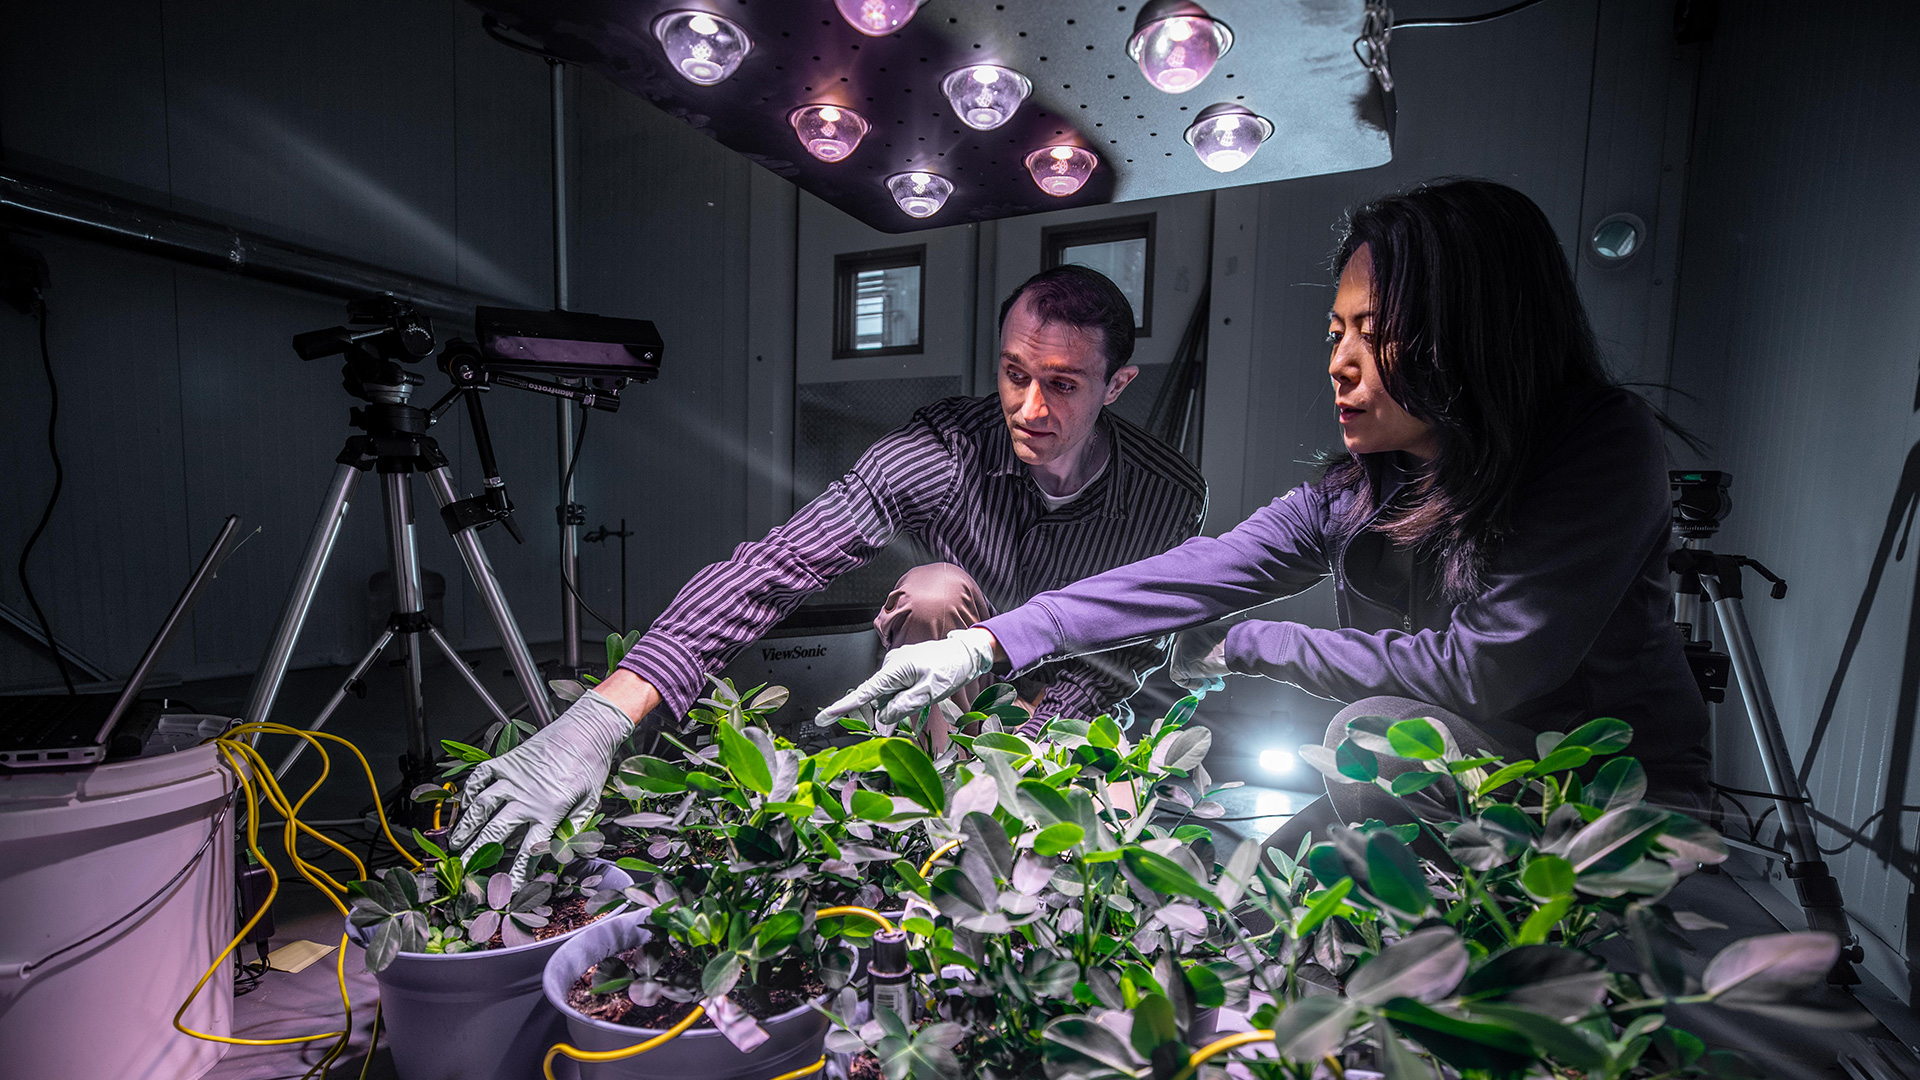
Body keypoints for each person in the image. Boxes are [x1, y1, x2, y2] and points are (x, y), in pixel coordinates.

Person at [821, 178, 1712, 850]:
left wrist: (1252, 644)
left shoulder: (1598, 446)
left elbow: (1482, 672)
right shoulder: (1364, 482)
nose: (1342, 363)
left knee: (1367, 738)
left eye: (1376, 330)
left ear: (1471, 328)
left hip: (1602, 805)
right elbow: (1206, 567)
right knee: (1248, 905)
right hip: (1440, 772)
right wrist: (992, 641)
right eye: (1336, 333)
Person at [451, 265, 1208, 882]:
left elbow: (1131, 648)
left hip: (1062, 685)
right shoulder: (943, 450)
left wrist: (1032, 748)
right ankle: (935, 809)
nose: (1028, 407)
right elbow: (778, 565)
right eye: (1014, 373)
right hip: (947, 671)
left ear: (1117, 384)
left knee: (1081, 859)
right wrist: (606, 712)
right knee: (934, 590)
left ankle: (997, 811)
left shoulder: (1166, 493)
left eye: (1065, 384)